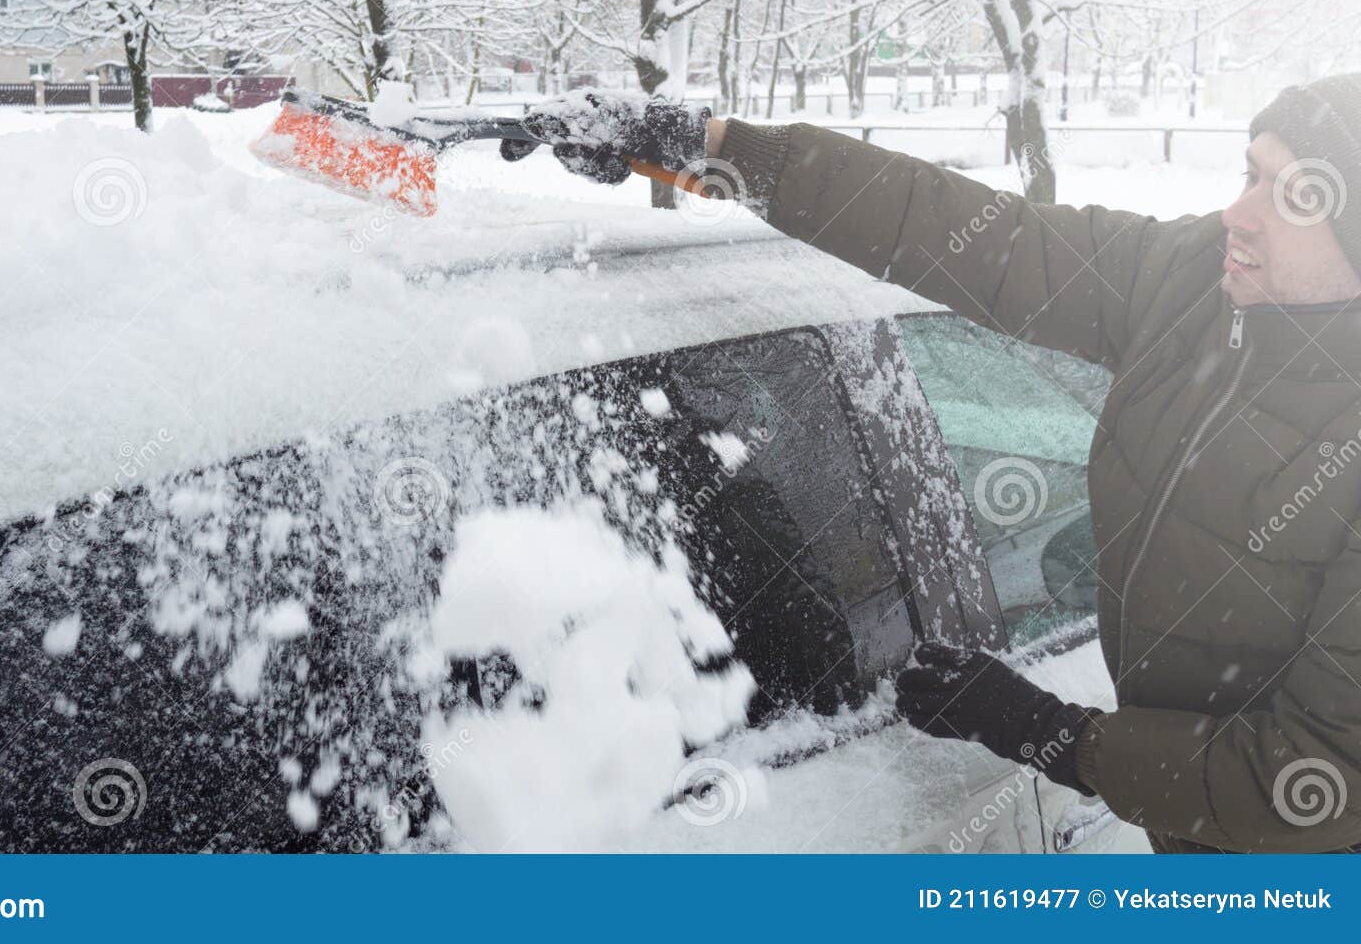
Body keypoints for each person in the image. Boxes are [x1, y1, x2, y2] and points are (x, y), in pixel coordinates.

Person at [503, 76, 1361, 853]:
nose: (1237, 215)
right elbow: (953, 229)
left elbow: (1319, 776)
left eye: (1287, 197)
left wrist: (1057, 736)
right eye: (1248, 174)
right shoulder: (1189, 285)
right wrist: (714, 147)